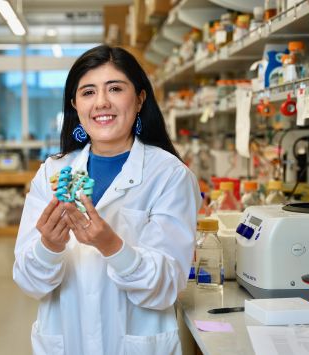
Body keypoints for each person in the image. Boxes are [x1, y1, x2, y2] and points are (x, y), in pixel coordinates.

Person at [13, 45, 201, 354]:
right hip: (65, 341)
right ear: (75, 104)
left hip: (135, 343)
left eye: (115, 88)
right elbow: (29, 283)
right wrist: (49, 247)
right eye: (88, 92)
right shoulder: (54, 172)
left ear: (140, 99)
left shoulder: (169, 175)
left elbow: (167, 287)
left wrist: (112, 247)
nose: (101, 102)